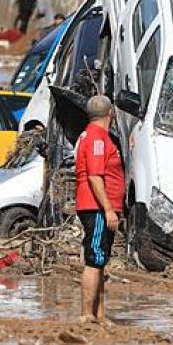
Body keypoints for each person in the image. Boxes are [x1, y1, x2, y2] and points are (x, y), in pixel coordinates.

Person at [74, 95, 124, 322]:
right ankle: (86, 315)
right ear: (110, 113)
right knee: (94, 259)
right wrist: (108, 209)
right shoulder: (96, 139)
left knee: (100, 259)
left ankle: (100, 314)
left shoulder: (93, 135)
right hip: (96, 207)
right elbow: (95, 176)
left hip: (99, 207)